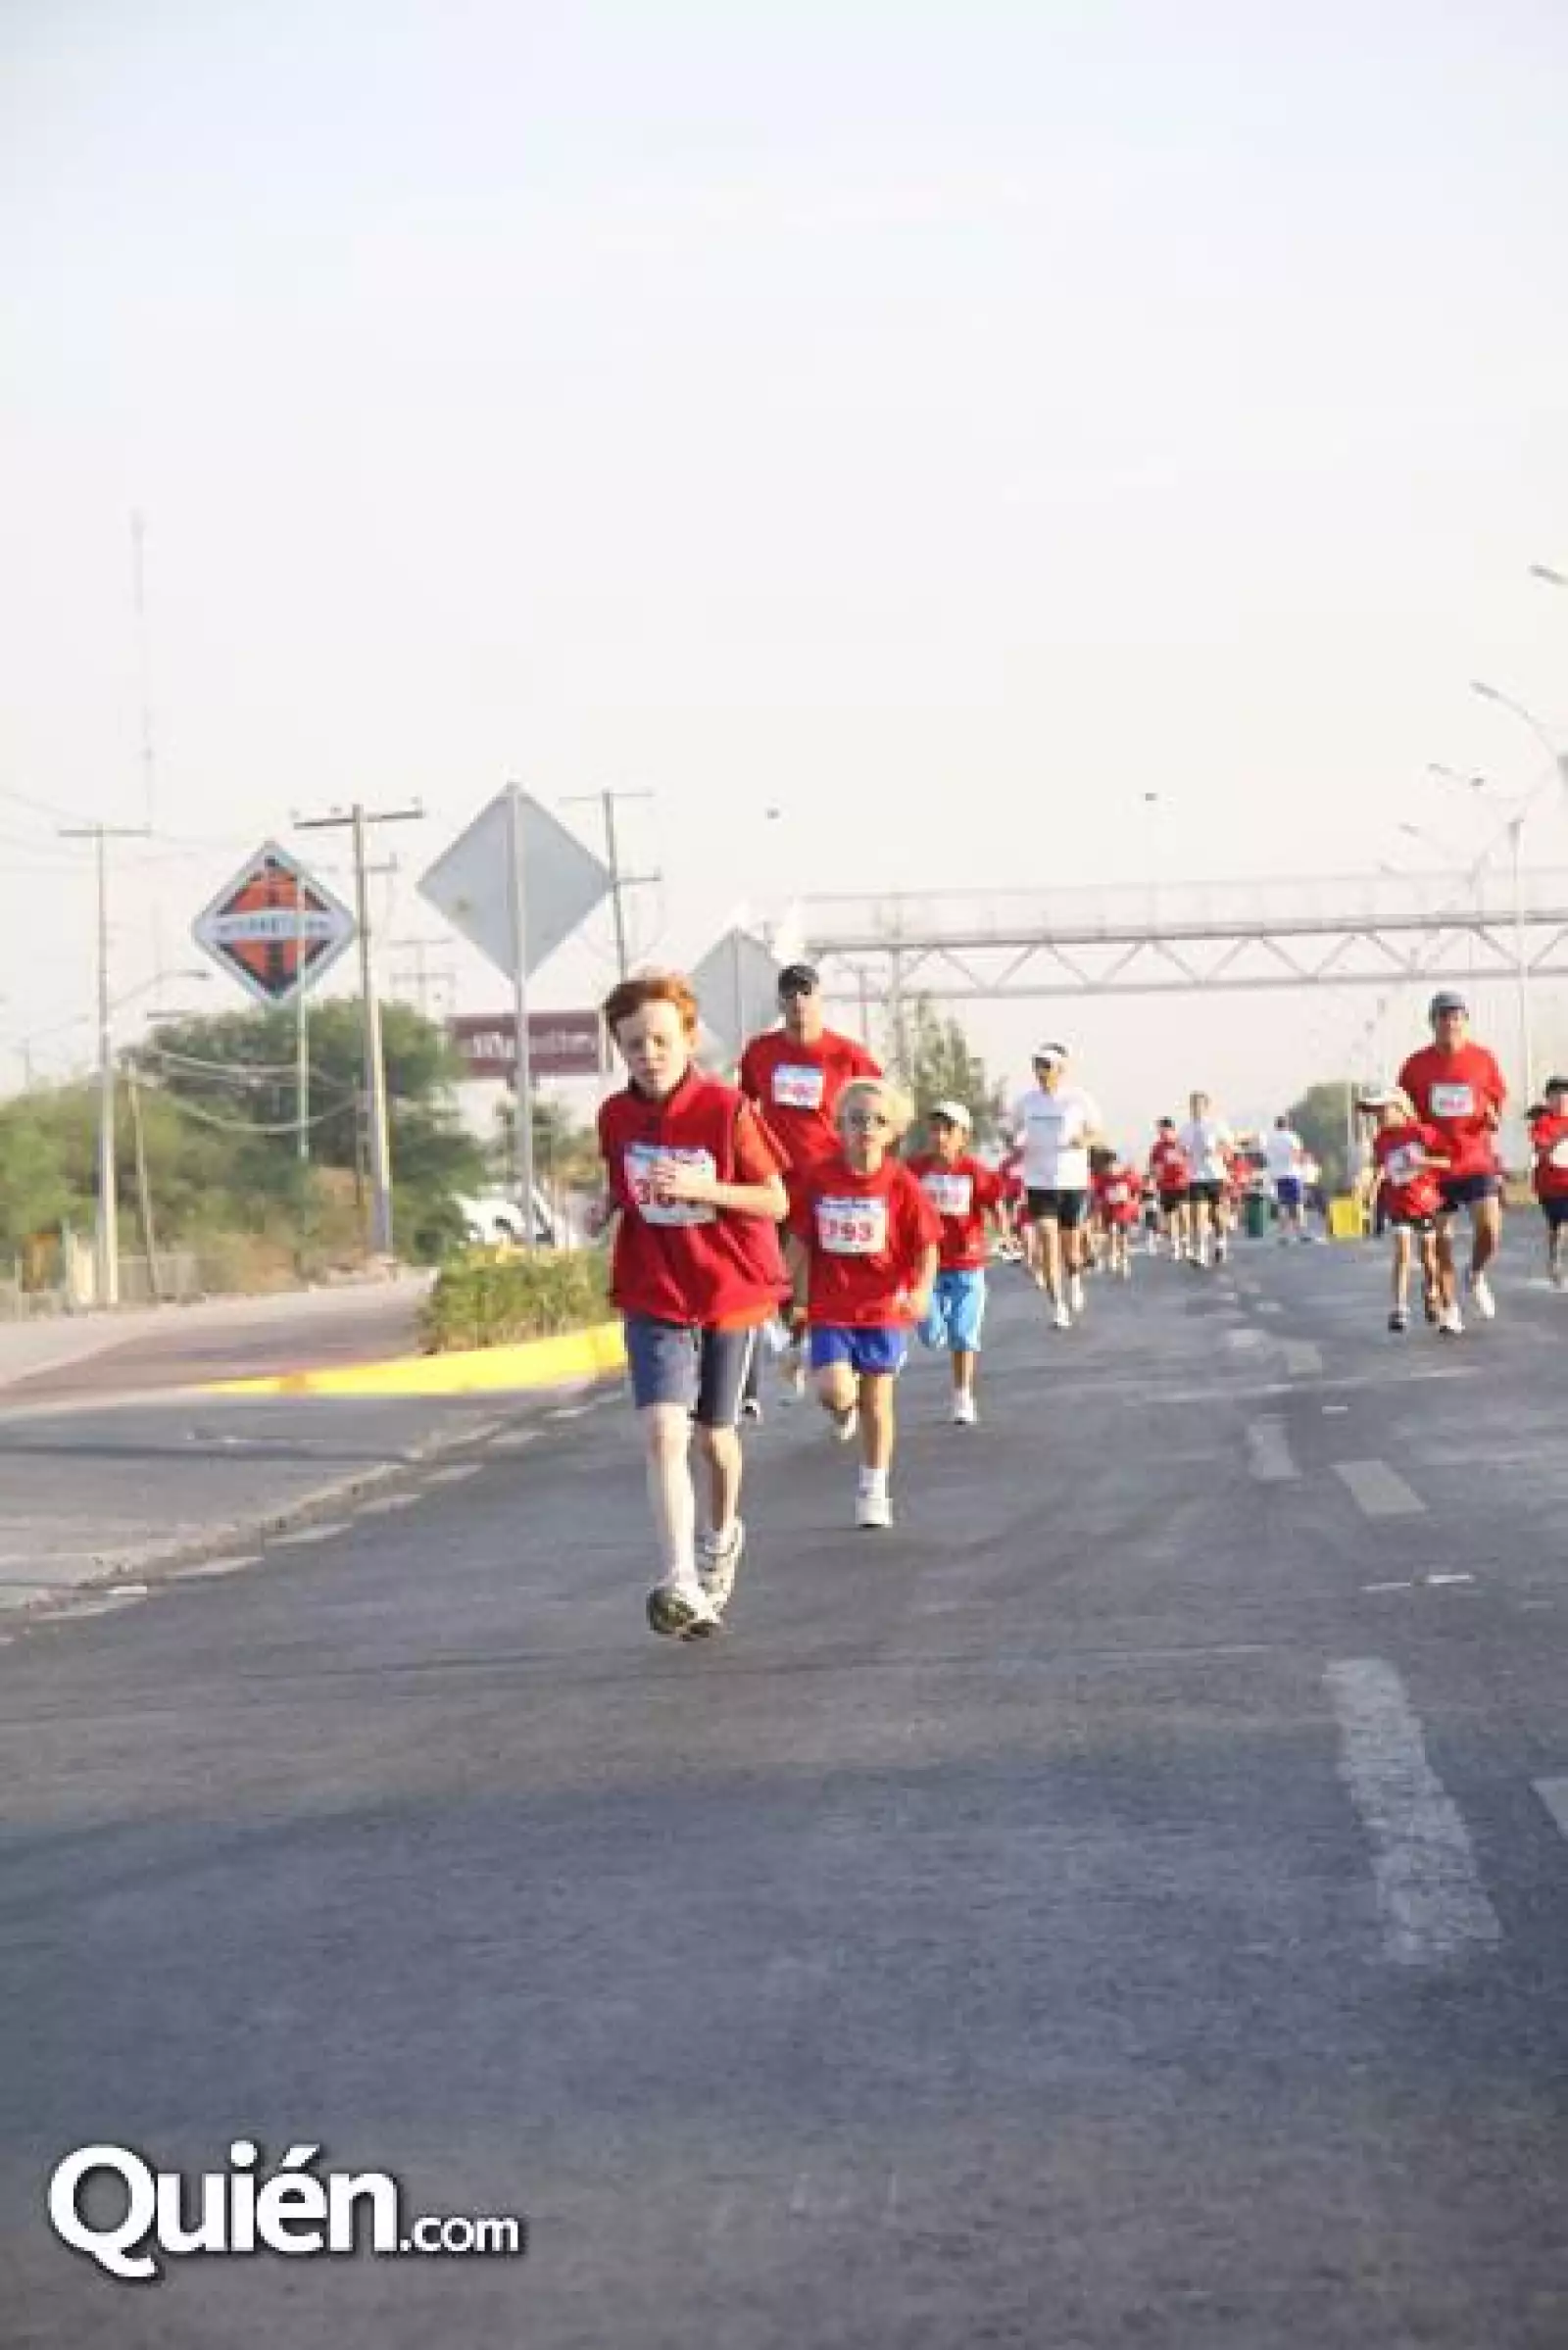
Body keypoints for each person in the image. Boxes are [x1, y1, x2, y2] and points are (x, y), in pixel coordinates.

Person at [593, 970, 791, 1639]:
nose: (648, 1055)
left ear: (688, 1037)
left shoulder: (727, 1109)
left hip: (728, 1286)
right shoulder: (615, 1116)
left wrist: (708, 1189)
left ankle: (721, 1535)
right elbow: (624, 1181)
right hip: (655, 1284)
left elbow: (776, 1201)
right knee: (662, 1432)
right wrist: (606, 1205)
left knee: (713, 1438)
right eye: (633, 1044)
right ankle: (679, 1577)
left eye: (660, 1040)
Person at [784, 1078, 941, 1529]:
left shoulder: (901, 1183)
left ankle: (874, 1488)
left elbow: (927, 1246)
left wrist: (922, 1291)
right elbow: (799, 1239)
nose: (866, 1128)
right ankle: (841, 1408)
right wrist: (780, 1283)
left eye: (878, 1120)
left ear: (893, 1131)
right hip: (832, 1307)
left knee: (877, 1400)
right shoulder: (820, 1178)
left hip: (883, 1308)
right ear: (839, 1126)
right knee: (836, 1391)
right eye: (856, 1120)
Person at [738, 962, 881, 1415]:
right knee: (781, 1281)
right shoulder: (760, 1052)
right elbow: (743, 1108)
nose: (798, 1002)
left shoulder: (847, 1055)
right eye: (790, 994)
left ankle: (841, 1373)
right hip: (778, 1185)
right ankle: (797, 1357)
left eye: (806, 993)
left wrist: (871, 1170)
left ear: (820, 998)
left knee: (829, 1284)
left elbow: (882, 1110)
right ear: (780, 1002)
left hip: (831, 1186)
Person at [1397, 990, 1507, 1326]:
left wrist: (1494, 1116)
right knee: (1441, 1240)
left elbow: (1497, 1101)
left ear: (1465, 1022)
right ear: (1432, 1022)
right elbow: (1401, 1109)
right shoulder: (1415, 1065)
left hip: (1475, 1159)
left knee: (1490, 1230)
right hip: (1434, 1165)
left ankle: (1475, 1273)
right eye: (1443, 1017)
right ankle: (1449, 1307)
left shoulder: (1483, 1059)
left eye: (1456, 1017)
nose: (1450, 1023)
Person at [907, 1101, 1006, 1423]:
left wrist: (1004, 1235)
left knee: (964, 1336)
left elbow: (995, 1203)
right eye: (935, 1129)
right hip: (927, 1267)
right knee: (931, 1336)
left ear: (963, 1136)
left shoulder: (974, 1171)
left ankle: (963, 1397)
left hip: (967, 1264)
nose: (940, 1136)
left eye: (948, 1130)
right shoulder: (915, 1170)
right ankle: (936, 1328)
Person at [1012, 1043, 1102, 1328]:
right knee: (1047, 1239)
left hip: (1072, 1181)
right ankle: (1058, 1307)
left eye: (1047, 1066)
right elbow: (1014, 1130)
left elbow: (1097, 1132)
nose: (1041, 1071)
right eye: (1037, 1065)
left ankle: (1074, 1279)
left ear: (1061, 1069)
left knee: (1071, 1250)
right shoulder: (1026, 1101)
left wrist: (1083, 1141)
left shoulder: (1078, 1099)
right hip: (1038, 1181)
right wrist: (1017, 1141)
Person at [1358, 1087, 1451, 1333]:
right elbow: (1380, 1168)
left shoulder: (1422, 1132)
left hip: (1425, 1202)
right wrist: (1371, 1192)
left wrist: (1423, 1162)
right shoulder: (1381, 1139)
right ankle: (1399, 1308)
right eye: (1375, 1112)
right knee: (1402, 1253)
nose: (1378, 1116)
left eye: (1383, 1110)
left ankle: (1431, 1292)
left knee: (1428, 1257)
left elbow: (1448, 1161)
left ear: (1400, 1108)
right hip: (1398, 1203)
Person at [1178, 1092, 1237, 1268]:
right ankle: (1201, 1253)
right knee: (1198, 1214)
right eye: (1193, 1105)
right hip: (1196, 1176)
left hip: (1215, 1174)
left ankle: (1220, 1243)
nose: (1195, 1108)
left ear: (1206, 1107)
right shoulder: (1186, 1128)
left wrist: (1216, 1150)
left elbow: (1229, 1144)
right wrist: (1184, 1153)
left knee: (1216, 1214)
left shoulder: (1216, 1125)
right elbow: (1181, 1149)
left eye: (1199, 1105)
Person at [1528, 1076, 1568, 1288]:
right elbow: (1540, 1151)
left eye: (1565, 1095)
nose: (1562, 1099)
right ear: (1548, 1099)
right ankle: (1555, 1258)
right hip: (1551, 1185)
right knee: (1558, 1227)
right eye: (1556, 1095)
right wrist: (1560, 1138)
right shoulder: (1543, 1123)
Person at [1091, 1145, 1140, 1280]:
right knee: (1111, 1233)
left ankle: (1124, 1259)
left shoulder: (1127, 1176)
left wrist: (1134, 1204)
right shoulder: (1102, 1179)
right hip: (1109, 1210)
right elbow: (1098, 1194)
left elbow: (1136, 1190)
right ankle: (1112, 1255)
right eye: (1108, 1167)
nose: (1111, 1170)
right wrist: (1098, 1206)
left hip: (1123, 1210)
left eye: (1114, 1166)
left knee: (1122, 1236)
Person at [1148, 1116, 1191, 1258]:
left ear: (1171, 1129)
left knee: (1183, 1212)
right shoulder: (1157, 1147)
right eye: (1159, 1130)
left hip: (1182, 1183)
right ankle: (1175, 1245)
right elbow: (1152, 1165)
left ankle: (1185, 1241)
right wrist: (1154, 1176)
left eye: (1162, 1130)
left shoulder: (1182, 1143)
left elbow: (1191, 1158)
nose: (1160, 1133)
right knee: (1170, 1216)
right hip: (1165, 1185)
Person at [1264, 1115, 1307, 1242]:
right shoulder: (1292, 1136)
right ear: (1287, 1125)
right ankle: (1301, 1232)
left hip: (1278, 1175)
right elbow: (1297, 1153)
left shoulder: (1271, 1139)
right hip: (1292, 1173)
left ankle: (1283, 1235)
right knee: (1297, 1204)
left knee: (1282, 1205)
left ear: (1276, 1126)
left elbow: (1267, 1157)